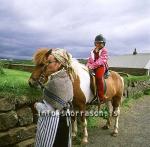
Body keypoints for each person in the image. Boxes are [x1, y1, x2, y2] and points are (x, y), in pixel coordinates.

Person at [34, 48, 74, 147]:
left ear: (59, 64)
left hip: (53, 126)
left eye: (49, 62)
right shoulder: (67, 78)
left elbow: (49, 111)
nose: (46, 65)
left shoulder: (54, 83)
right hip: (65, 123)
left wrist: (37, 105)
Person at [86, 34, 108, 104]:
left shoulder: (104, 51)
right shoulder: (92, 51)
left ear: (103, 44)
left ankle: (101, 97)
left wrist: (92, 66)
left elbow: (101, 61)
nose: (98, 44)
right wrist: (87, 66)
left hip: (100, 66)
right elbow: (89, 60)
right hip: (92, 66)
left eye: (100, 43)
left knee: (98, 77)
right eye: (97, 43)